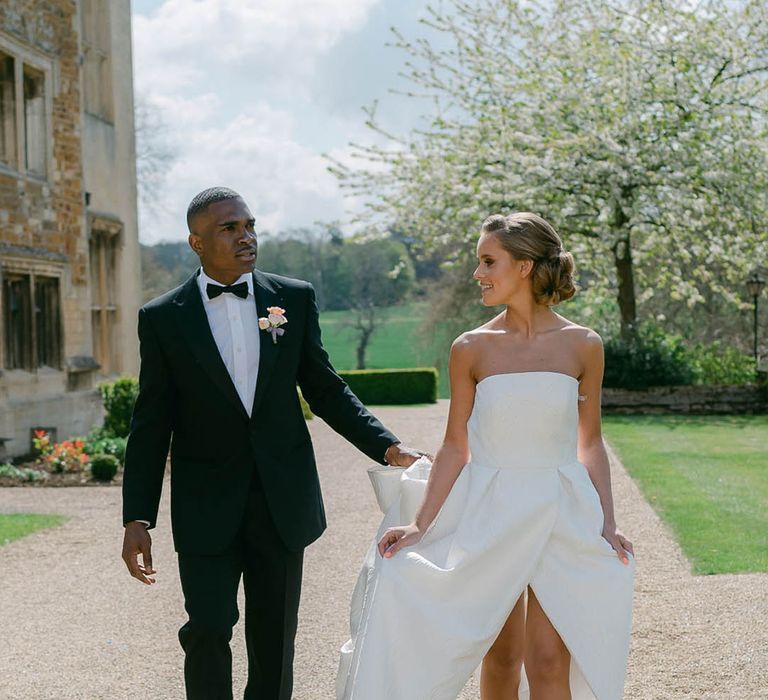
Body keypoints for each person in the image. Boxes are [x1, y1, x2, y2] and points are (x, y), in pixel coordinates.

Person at [120, 186, 424, 700]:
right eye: (229, 228)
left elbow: (326, 389)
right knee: (207, 631)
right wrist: (137, 518)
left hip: (281, 501)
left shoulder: (294, 298)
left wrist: (390, 449)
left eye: (250, 225)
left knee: (274, 641)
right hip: (205, 505)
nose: (246, 237)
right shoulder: (163, 317)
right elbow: (151, 423)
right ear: (196, 242)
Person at [338, 212, 635, 700]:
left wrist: (607, 522)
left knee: (548, 660)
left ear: (524, 266)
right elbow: (456, 445)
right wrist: (421, 525)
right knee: (499, 658)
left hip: (561, 511)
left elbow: (591, 442)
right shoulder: (470, 348)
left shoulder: (584, 345)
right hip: (492, 511)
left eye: (487, 261)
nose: (477, 274)